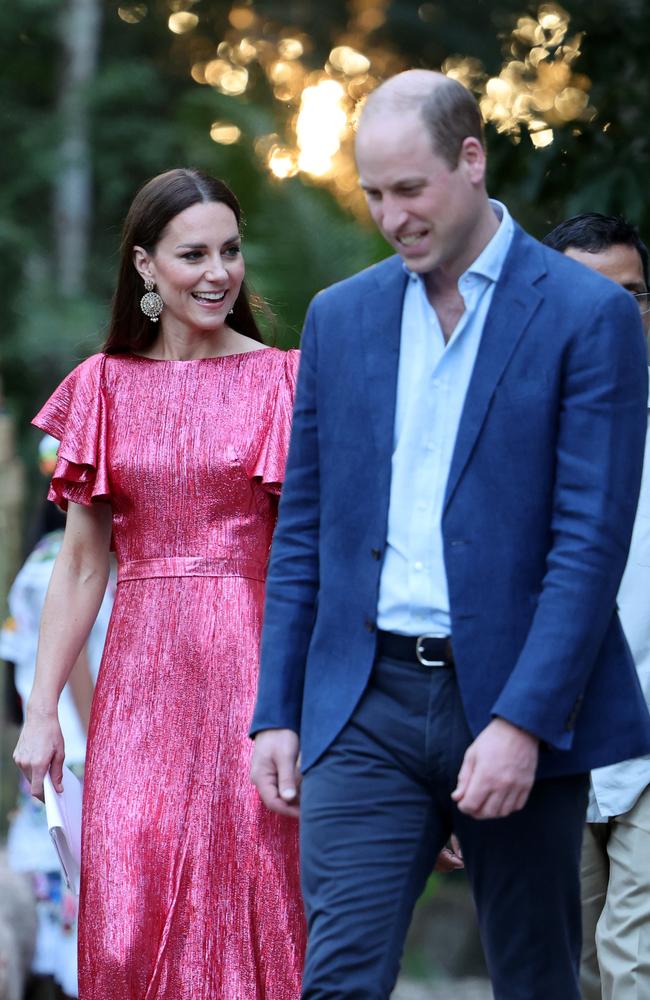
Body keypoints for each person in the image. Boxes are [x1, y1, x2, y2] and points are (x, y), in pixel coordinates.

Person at [250, 70, 650, 999]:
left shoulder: (589, 317)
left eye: (410, 188)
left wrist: (522, 723)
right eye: (374, 193)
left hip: (514, 697)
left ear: (471, 160)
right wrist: (277, 708)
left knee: (534, 980)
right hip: (363, 703)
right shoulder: (340, 317)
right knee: (338, 980)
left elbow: (589, 545)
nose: (391, 216)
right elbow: (304, 530)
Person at [13, 168, 306, 1000]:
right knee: (129, 898)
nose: (219, 273)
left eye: (231, 251)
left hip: (254, 678)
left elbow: (308, 559)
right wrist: (42, 714)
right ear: (145, 266)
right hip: (138, 688)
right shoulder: (101, 386)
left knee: (256, 898)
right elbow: (79, 563)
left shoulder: (282, 379)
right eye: (193, 255)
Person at [543, 213, 650, 1000]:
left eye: (634, 295)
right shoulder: (508, 433)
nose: (616, 314)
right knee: (560, 971)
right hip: (548, 745)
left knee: (635, 965)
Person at [1, 436, 115, 999]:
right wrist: (106, 738)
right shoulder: (71, 565)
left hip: (49, 751)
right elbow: (73, 663)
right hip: (82, 752)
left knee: (59, 900)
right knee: (81, 896)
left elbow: (16, 664)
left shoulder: (39, 559)